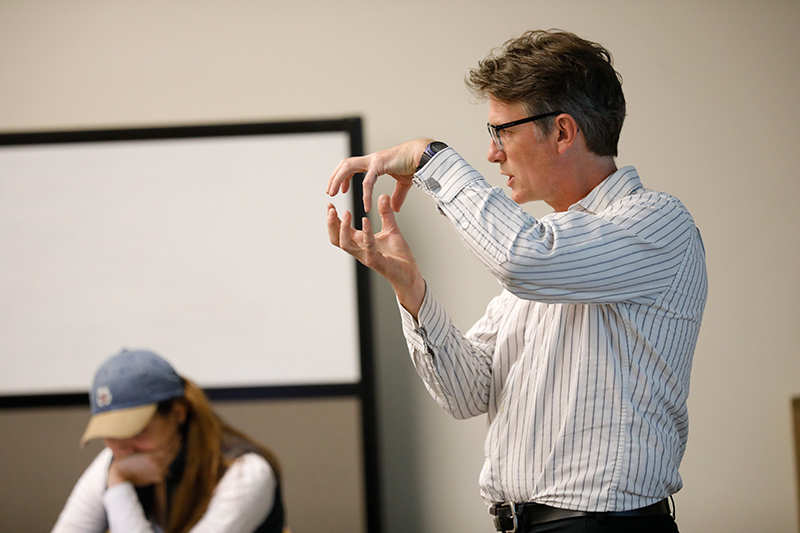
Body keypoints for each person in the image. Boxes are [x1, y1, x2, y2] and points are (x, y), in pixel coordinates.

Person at [326, 29, 707, 533]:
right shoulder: (548, 249)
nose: (492, 153)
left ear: (563, 131)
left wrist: (429, 157)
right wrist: (410, 288)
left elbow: (524, 260)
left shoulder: (656, 221)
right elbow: (465, 393)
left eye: (501, 131)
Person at [52, 349, 286, 533]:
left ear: (177, 413)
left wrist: (118, 483)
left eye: (136, 430)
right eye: (110, 434)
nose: (123, 447)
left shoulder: (244, 472)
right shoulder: (114, 460)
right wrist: (117, 477)